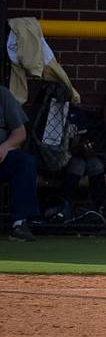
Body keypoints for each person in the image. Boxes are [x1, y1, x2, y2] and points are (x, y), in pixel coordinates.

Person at [0, 85, 41, 241]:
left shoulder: (2, 94)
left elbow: (20, 133)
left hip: (2, 158)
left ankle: (20, 223)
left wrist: (5, 147)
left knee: (25, 161)